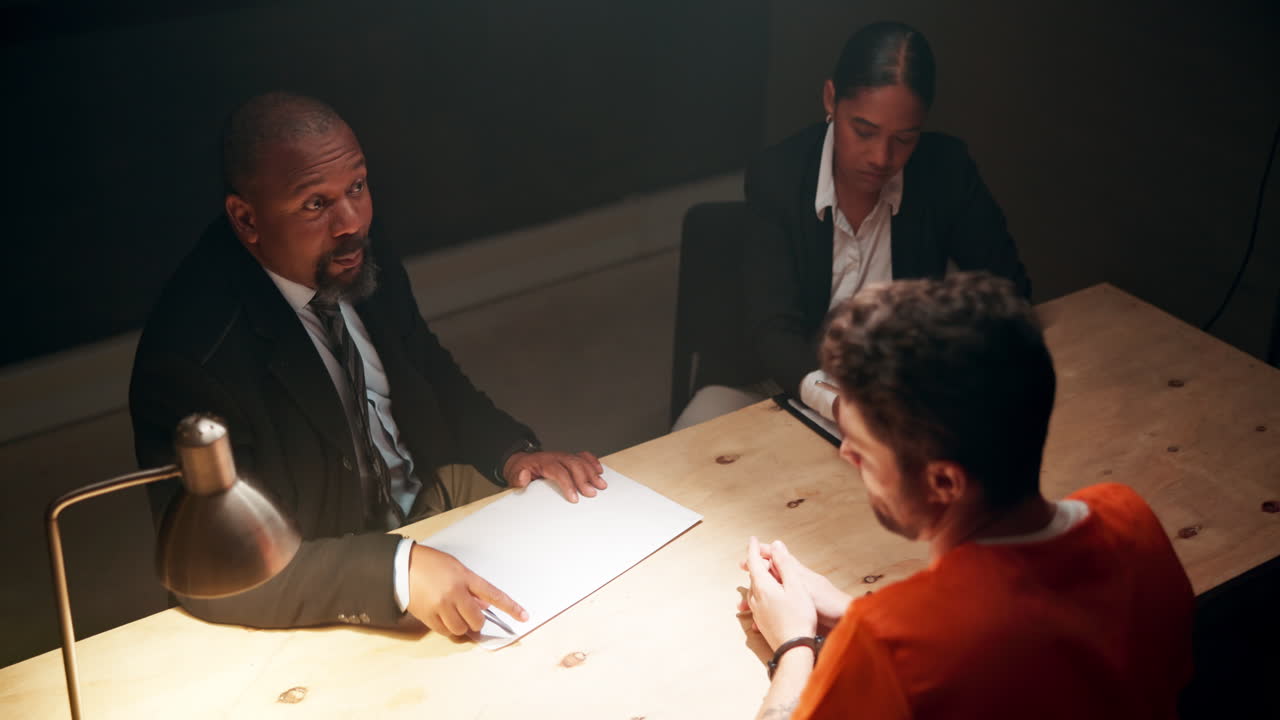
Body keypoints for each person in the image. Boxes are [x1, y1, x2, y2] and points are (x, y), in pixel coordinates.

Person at [129, 92, 607, 637]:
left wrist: (511, 453)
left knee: (598, 579)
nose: (351, 221)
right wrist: (394, 571)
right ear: (246, 219)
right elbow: (214, 570)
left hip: (433, 501)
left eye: (356, 186)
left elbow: (428, 369)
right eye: (315, 203)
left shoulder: (350, 247)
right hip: (331, 566)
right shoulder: (191, 356)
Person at [741, 273, 1194, 719]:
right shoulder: (1130, 517)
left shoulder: (892, 649)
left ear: (945, 483)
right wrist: (859, 613)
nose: (846, 454)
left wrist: (794, 642)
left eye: (863, 449)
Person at [673, 21, 1031, 431]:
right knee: (691, 448)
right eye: (864, 131)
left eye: (904, 138)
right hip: (767, 379)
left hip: (891, 389)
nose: (881, 157)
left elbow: (1009, 291)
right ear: (831, 99)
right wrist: (838, 405)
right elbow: (773, 330)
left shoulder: (946, 170)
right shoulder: (778, 175)